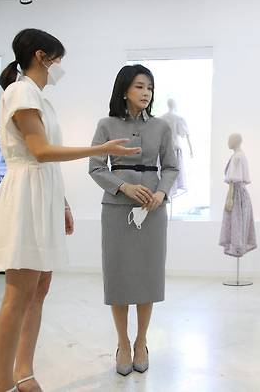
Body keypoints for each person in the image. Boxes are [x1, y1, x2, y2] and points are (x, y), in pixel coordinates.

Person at [0, 28, 140, 392]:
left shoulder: (37, 95)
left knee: (39, 288)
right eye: (58, 60)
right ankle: (1, 384)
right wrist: (100, 149)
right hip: (25, 197)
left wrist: (63, 201)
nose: (60, 68)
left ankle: (24, 372)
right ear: (42, 57)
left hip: (43, 194)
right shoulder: (21, 91)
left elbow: (45, 158)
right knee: (18, 293)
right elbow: (38, 151)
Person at [89, 64, 178, 376]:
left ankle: (141, 341)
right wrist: (123, 186)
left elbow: (171, 167)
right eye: (140, 86)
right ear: (125, 89)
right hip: (116, 210)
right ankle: (122, 343)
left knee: (146, 277)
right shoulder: (106, 125)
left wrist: (161, 194)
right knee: (119, 277)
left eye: (149, 88)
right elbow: (96, 167)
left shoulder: (162, 127)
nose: (146, 93)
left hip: (152, 212)